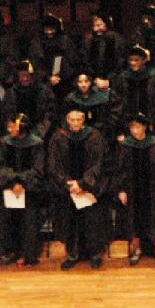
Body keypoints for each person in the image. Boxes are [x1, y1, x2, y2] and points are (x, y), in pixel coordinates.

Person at [49, 108, 110, 270]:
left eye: (78, 120)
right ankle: (72, 254)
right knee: (71, 222)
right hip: (68, 190)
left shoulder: (94, 136)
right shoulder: (58, 137)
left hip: (89, 188)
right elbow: (55, 166)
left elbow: (98, 163)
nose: (75, 123)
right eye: (72, 120)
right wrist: (69, 184)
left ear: (84, 120)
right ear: (67, 120)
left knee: (92, 221)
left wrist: (83, 183)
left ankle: (95, 254)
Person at [114, 113, 155, 266]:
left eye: (137, 127)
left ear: (144, 127)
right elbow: (120, 169)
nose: (134, 130)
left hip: (151, 188)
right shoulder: (125, 145)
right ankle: (137, 249)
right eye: (132, 127)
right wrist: (121, 189)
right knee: (133, 219)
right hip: (132, 188)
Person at [0, 113, 46, 266]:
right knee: (7, 220)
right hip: (9, 189)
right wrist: (13, 182)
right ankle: (8, 252)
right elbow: (0, 166)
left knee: (29, 222)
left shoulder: (37, 144)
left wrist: (21, 182)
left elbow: (38, 169)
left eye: (12, 126)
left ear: (22, 127)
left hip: (29, 190)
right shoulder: (4, 142)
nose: (9, 129)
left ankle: (28, 254)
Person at [111, 45, 155, 140]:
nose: (133, 63)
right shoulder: (122, 78)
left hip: (152, 127)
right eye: (130, 60)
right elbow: (116, 105)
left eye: (136, 60)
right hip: (127, 128)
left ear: (144, 60)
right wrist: (119, 131)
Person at [27, 12, 80, 100]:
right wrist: (48, 78)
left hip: (66, 82)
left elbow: (74, 62)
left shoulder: (65, 41)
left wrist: (61, 76)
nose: (49, 32)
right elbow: (35, 65)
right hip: (44, 83)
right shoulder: (36, 43)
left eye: (52, 29)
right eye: (46, 29)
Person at [2, 60, 57, 140]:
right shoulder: (11, 93)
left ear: (33, 76)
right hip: (15, 132)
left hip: (40, 133)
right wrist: (14, 129)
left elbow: (50, 114)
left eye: (28, 75)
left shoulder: (44, 91)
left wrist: (38, 132)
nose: (25, 78)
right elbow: (6, 114)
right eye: (22, 76)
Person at [62, 70, 122, 142]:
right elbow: (65, 117)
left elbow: (115, 113)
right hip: (79, 131)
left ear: (91, 82)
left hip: (103, 131)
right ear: (76, 83)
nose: (83, 85)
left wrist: (106, 128)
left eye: (86, 81)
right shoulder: (71, 98)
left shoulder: (105, 95)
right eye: (80, 82)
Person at [81, 10, 128, 85]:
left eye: (99, 25)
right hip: (94, 81)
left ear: (107, 25)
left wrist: (109, 80)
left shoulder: (117, 39)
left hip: (114, 82)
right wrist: (94, 78)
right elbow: (85, 61)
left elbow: (121, 62)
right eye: (94, 26)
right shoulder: (89, 40)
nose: (95, 29)